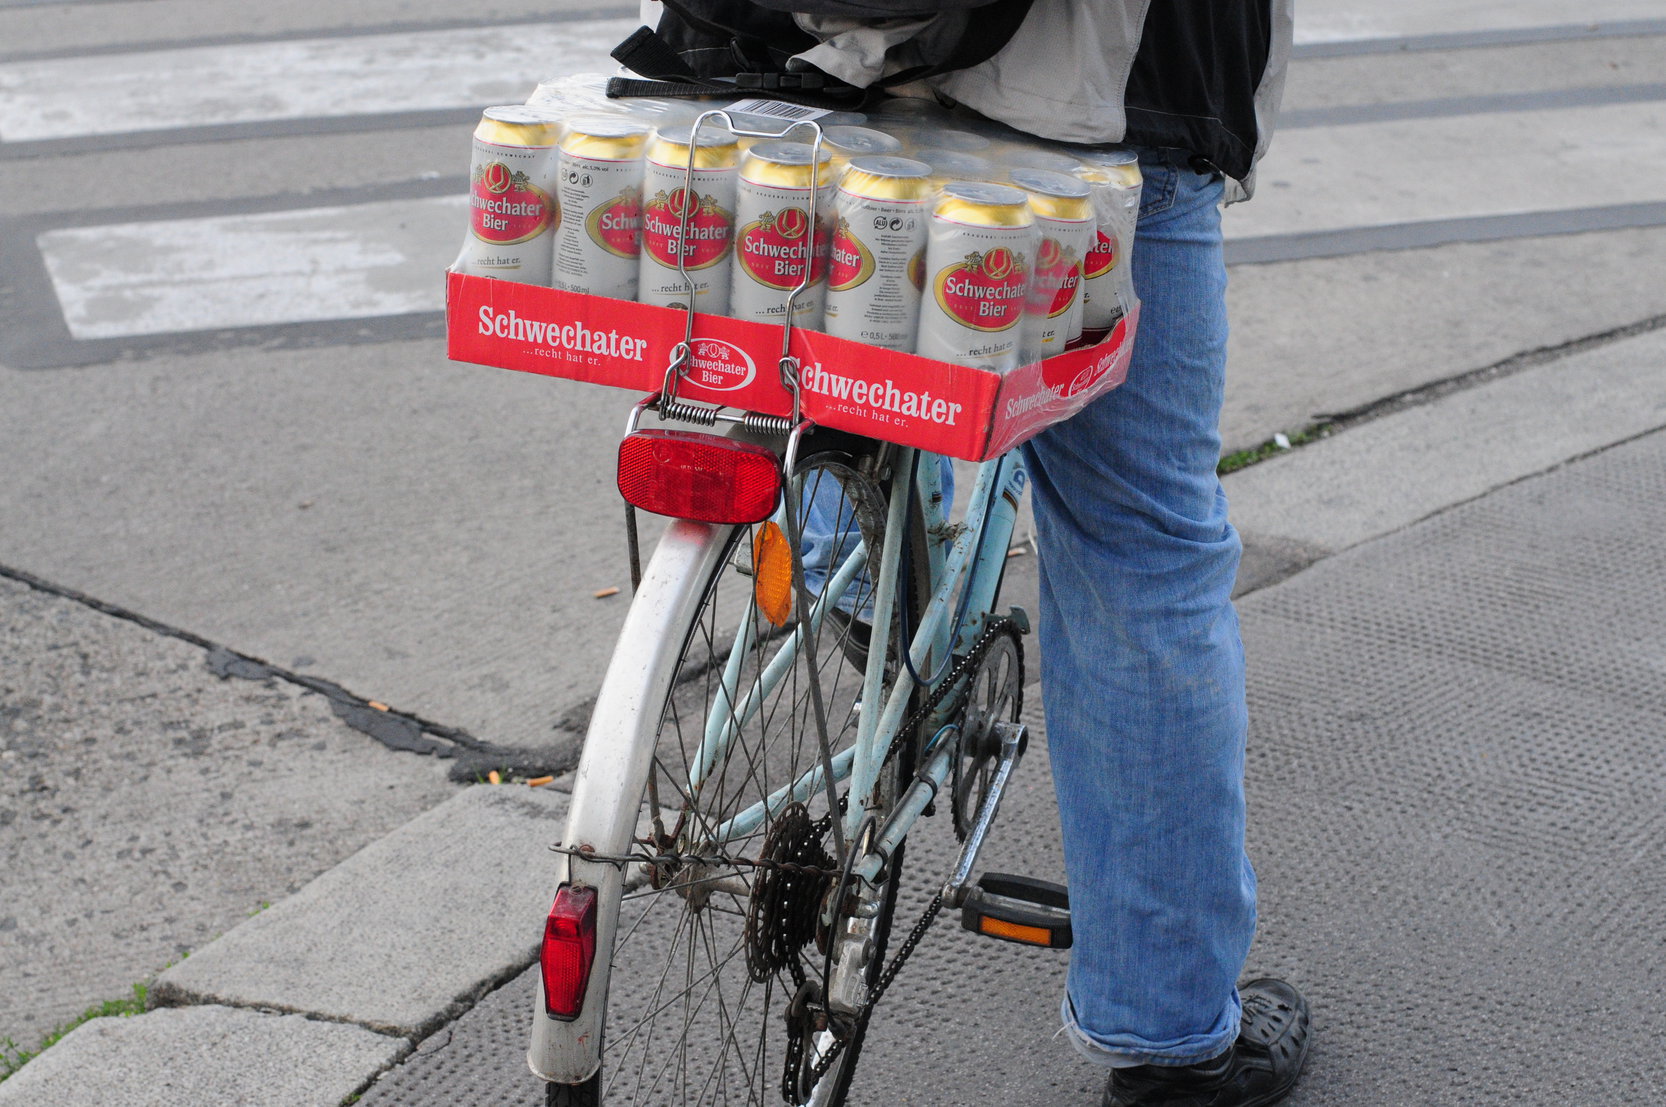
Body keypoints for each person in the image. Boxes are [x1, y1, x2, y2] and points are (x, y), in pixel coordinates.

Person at [918, 3, 1311, 1104]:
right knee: (1142, 557)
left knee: (808, 353)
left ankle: (846, 552)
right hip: (1102, 105)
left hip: (798, 60)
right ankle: (1166, 1033)